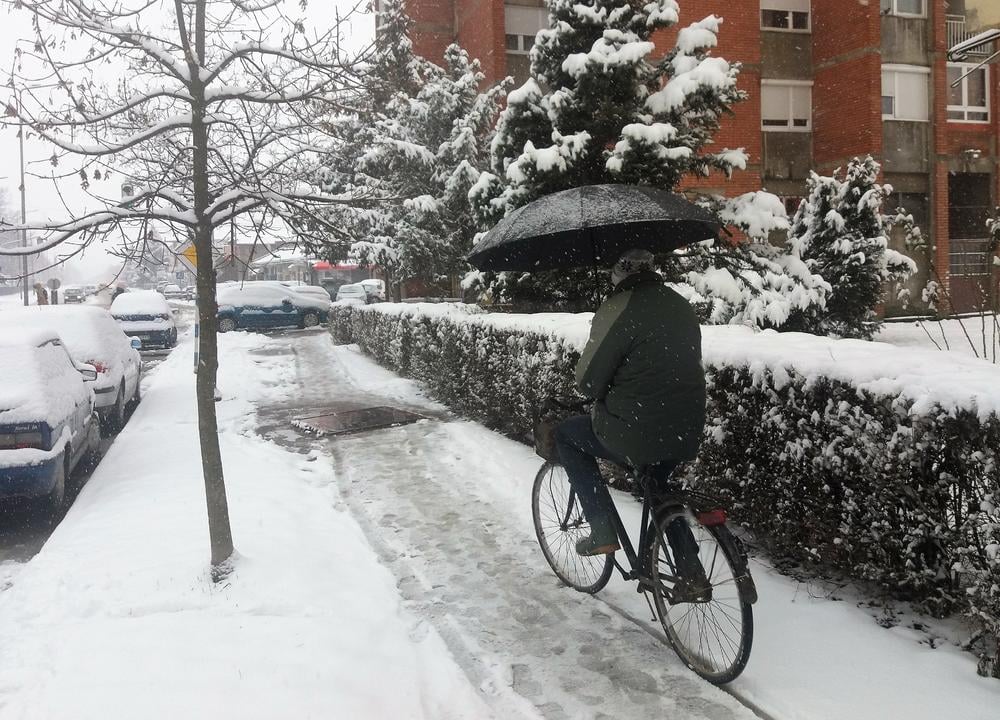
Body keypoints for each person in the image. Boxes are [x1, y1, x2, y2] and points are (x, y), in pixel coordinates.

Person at [554, 248, 706, 556]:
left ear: (619, 272)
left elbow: (587, 384)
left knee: (566, 436)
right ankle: (691, 571)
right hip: (686, 425)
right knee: (656, 485)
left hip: (637, 427)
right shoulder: (680, 304)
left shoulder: (617, 308)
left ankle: (601, 530)